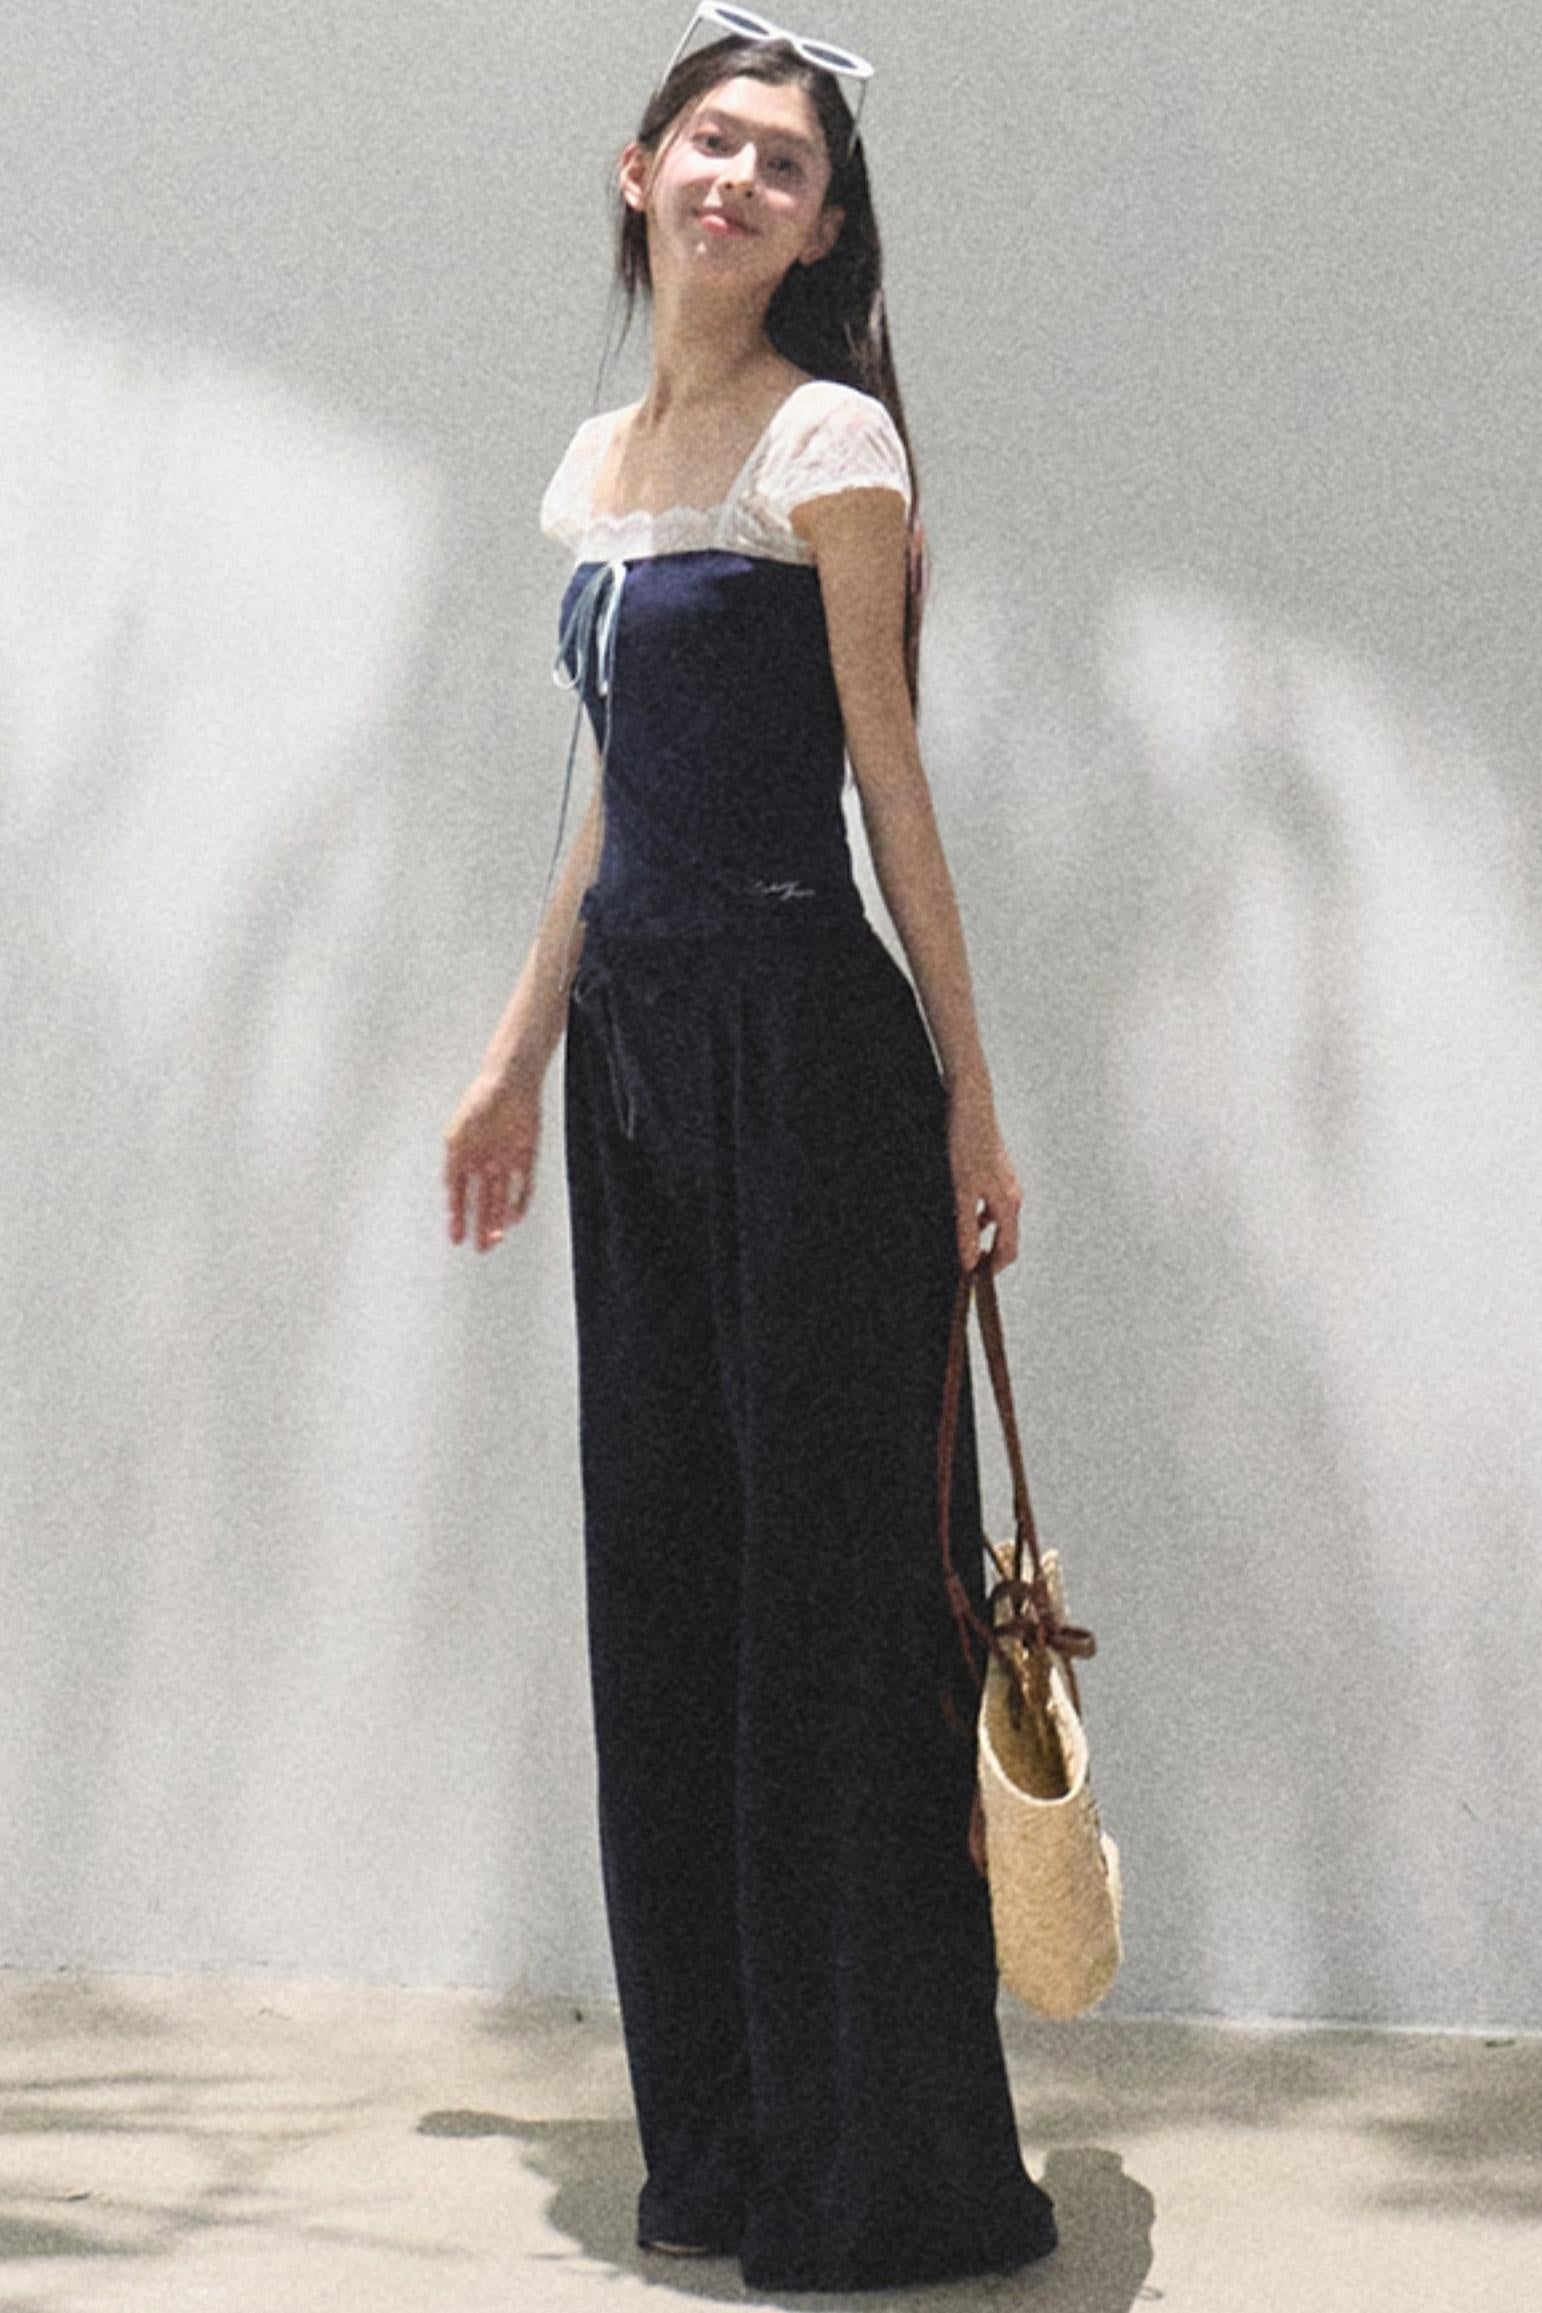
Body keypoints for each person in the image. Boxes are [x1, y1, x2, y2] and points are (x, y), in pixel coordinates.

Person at [442, 8, 1057, 2291]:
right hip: (634, 1078)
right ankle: (715, 2141)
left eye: (783, 164)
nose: (740, 181)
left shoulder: (829, 438)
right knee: (671, 1597)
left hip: (808, 1065)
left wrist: (972, 1088)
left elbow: (888, 772)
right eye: (711, 142)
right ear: (639, 173)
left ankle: (875, 2171)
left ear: (817, 225)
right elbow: (612, 802)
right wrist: (514, 1058)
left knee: (828, 1620)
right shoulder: (600, 464)